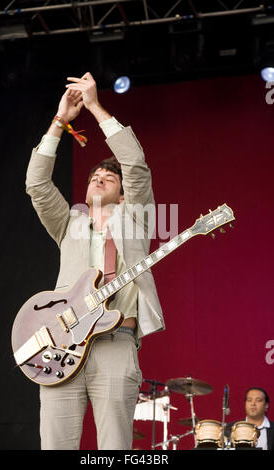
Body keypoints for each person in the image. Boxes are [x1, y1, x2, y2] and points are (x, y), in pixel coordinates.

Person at [25, 72, 165, 450]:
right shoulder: (67, 222)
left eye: (109, 178)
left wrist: (95, 107)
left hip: (115, 344)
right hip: (62, 346)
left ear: (123, 197)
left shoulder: (135, 217)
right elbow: (37, 184)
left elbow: (134, 164)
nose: (100, 178)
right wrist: (60, 121)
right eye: (94, 176)